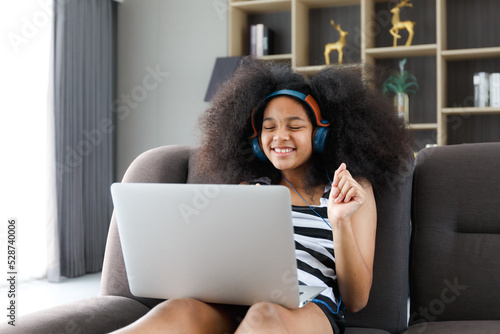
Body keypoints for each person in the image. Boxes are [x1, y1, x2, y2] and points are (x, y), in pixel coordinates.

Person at [112, 58, 413, 334]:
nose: (280, 136)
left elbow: (356, 299)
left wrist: (340, 221)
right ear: (257, 141)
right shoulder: (250, 190)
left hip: (310, 308)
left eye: (295, 126)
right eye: (269, 128)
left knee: (263, 316)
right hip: (236, 303)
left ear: (319, 134)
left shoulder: (348, 190)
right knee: (177, 310)